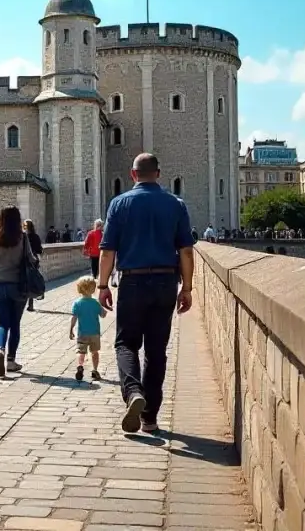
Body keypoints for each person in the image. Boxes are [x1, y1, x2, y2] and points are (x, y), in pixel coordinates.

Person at [97, 153, 195, 434]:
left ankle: (133, 392)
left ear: (132, 175)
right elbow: (186, 251)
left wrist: (103, 285)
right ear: (159, 174)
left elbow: (107, 250)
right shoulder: (176, 204)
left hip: (133, 282)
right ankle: (150, 417)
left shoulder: (119, 204)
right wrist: (186, 288)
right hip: (166, 282)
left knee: (126, 344)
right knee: (156, 351)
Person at [0, 206, 37, 377]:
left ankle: (0, 349)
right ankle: (11, 361)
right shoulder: (23, 238)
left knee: (2, 323)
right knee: (15, 324)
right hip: (18, 286)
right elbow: (31, 259)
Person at [70, 275, 107, 382]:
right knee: (94, 352)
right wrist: (103, 307)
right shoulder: (95, 303)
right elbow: (103, 315)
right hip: (94, 333)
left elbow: (74, 317)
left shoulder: (77, 303)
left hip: (82, 333)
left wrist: (71, 329)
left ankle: (80, 366)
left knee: (81, 352)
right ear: (93, 289)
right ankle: (95, 370)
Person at [23, 220, 44, 312]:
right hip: (34, 261)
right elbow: (39, 250)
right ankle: (30, 304)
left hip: (24, 261)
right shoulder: (36, 237)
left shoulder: (23, 237)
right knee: (32, 280)